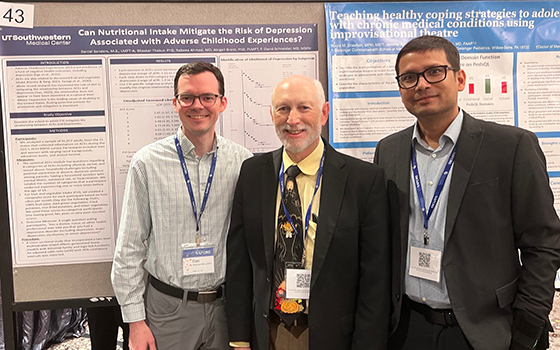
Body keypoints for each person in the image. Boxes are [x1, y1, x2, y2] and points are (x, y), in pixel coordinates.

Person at [374, 35, 560, 350]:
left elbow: (544, 243)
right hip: (407, 329)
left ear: (459, 78)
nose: (421, 84)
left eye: (434, 72)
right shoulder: (388, 150)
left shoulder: (511, 147)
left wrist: (526, 326)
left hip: (486, 332)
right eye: (409, 78)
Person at [226, 75, 391, 350]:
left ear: (324, 113)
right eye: (283, 109)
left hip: (334, 336)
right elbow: (240, 263)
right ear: (271, 114)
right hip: (268, 333)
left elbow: (375, 279)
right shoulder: (253, 173)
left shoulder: (364, 180)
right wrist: (240, 339)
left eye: (304, 108)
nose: (293, 119)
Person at [111, 61, 252, 350]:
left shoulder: (242, 162)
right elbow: (130, 247)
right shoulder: (147, 163)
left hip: (226, 309)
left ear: (222, 103)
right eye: (187, 97)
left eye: (207, 97)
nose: (197, 105)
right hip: (168, 310)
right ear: (175, 103)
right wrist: (135, 322)